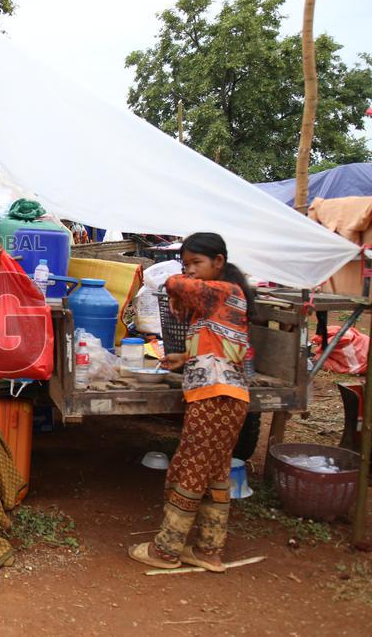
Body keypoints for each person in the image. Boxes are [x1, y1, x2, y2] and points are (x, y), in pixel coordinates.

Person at [129, 232, 254, 573]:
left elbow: (172, 283)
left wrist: (177, 277)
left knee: (189, 469)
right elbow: (223, 349)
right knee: (214, 472)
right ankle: (208, 550)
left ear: (219, 263)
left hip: (215, 399)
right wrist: (184, 358)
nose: (191, 271)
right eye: (187, 264)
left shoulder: (226, 291)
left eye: (197, 263)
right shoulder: (219, 301)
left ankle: (166, 550)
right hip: (228, 399)